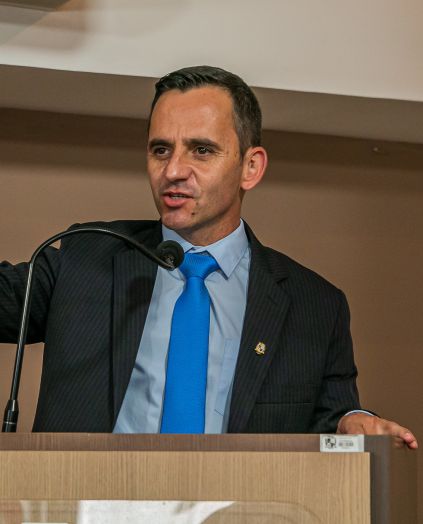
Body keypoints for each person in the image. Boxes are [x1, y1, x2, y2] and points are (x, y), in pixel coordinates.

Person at [0, 66, 417, 448]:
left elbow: (334, 419)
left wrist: (353, 422)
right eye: (160, 150)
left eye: (201, 150)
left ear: (250, 167)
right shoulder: (87, 256)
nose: (173, 171)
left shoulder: (314, 306)